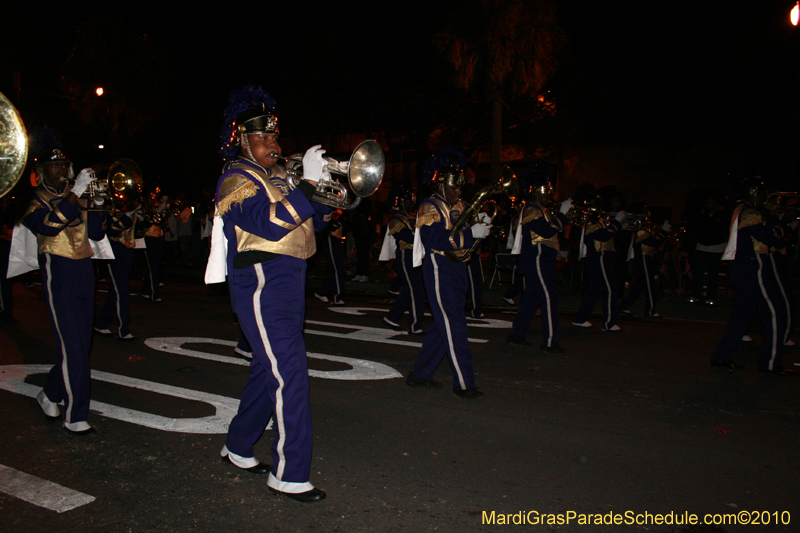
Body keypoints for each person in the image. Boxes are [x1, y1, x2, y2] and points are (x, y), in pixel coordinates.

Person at [206, 86, 331, 502]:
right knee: (290, 371)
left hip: (290, 279)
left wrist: (326, 192)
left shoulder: (277, 177)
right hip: (260, 280)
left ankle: (238, 445)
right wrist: (308, 185)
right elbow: (271, 224)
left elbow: (315, 224)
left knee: (267, 367)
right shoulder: (235, 180)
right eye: (264, 137)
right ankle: (289, 472)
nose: (274, 144)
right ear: (242, 141)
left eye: (276, 137)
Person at [21, 143, 105, 435]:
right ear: (40, 173)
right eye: (54, 166)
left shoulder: (77, 196)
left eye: (64, 165)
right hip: (58, 271)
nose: (61, 170)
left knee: (80, 345)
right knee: (72, 346)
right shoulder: (34, 200)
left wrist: (97, 202)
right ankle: (75, 414)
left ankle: (49, 393)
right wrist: (78, 192)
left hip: (84, 270)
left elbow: (96, 233)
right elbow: (49, 226)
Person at [406, 147, 491, 399]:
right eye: (454, 186)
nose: (459, 190)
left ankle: (420, 374)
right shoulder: (429, 206)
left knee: (443, 325)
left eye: (460, 185)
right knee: (455, 326)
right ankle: (464, 383)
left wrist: (481, 224)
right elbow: (434, 239)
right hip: (440, 269)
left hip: (458, 269)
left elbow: (464, 232)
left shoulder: (461, 204)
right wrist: (470, 234)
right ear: (441, 183)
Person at [711, 177, 791, 374]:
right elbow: (769, 238)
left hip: (748, 268)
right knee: (773, 314)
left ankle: (721, 355)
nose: (766, 196)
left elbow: (778, 241)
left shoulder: (747, 211)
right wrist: (781, 222)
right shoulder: (750, 212)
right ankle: (770, 363)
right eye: (762, 191)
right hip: (755, 267)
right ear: (753, 192)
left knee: (743, 316)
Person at [506, 163, 571, 352]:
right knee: (549, 299)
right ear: (535, 192)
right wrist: (562, 215)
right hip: (538, 259)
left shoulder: (540, 209)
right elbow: (544, 231)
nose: (549, 194)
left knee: (531, 300)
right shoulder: (533, 209)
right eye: (546, 190)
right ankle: (550, 342)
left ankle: (516, 334)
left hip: (542, 259)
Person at [572, 194, 626, 331]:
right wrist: (617, 222)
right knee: (610, 290)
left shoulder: (598, 221)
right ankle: (609, 323)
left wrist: (619, 225)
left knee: (594, 291)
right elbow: (604, 236)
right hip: (599, 258)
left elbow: (611, 234)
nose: (601, 210)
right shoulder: (591, 222)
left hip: (601, 258)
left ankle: (580, 319)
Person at [382, 180, 424, 334]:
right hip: (406, 256)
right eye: (408, 200)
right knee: (415, 292)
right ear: (401, 202)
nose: (412, 203)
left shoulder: (412, 218)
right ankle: (415, 325)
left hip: (416, 256)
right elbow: (407, 237)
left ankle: (393, 317)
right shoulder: (396, 220)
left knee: (411, 290)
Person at [95, 205, 139, 340]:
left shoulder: (128, 212)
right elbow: (113, 231)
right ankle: (123, 329)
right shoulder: (109, 210)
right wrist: (128, 216)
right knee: (121, 290)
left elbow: (138, 234)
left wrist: (142, 220)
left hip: (127, 251)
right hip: (114, 251)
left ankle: (102, 323)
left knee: (116, 290)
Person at [619, 205, 670, 318]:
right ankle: (650, 311)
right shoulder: (640, 231)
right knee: (650, 285)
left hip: (645, 258)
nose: (648, 219)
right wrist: (663, 232)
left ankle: (624, 305)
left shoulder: (643, 230)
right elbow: (652, 242)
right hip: (643, 259)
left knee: (640, 285)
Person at [687, 195, 728, 305]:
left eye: (711, 202)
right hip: (702, 247)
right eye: (707, 202)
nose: (708, 205)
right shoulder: (703, 215)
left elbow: (722, 230)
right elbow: (697, 229)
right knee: (698, 273)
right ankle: (694, 295)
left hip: (716, 248)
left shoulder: (723, 216)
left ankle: (711, 297)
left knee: (713, 274)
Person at [314, 208, 346, 306]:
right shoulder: (330, 207)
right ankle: (337, 296)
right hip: (331, 236)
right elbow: (331, 221)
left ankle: (322, 292)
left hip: (336, 237)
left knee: (337, 268)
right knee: (337, 269)